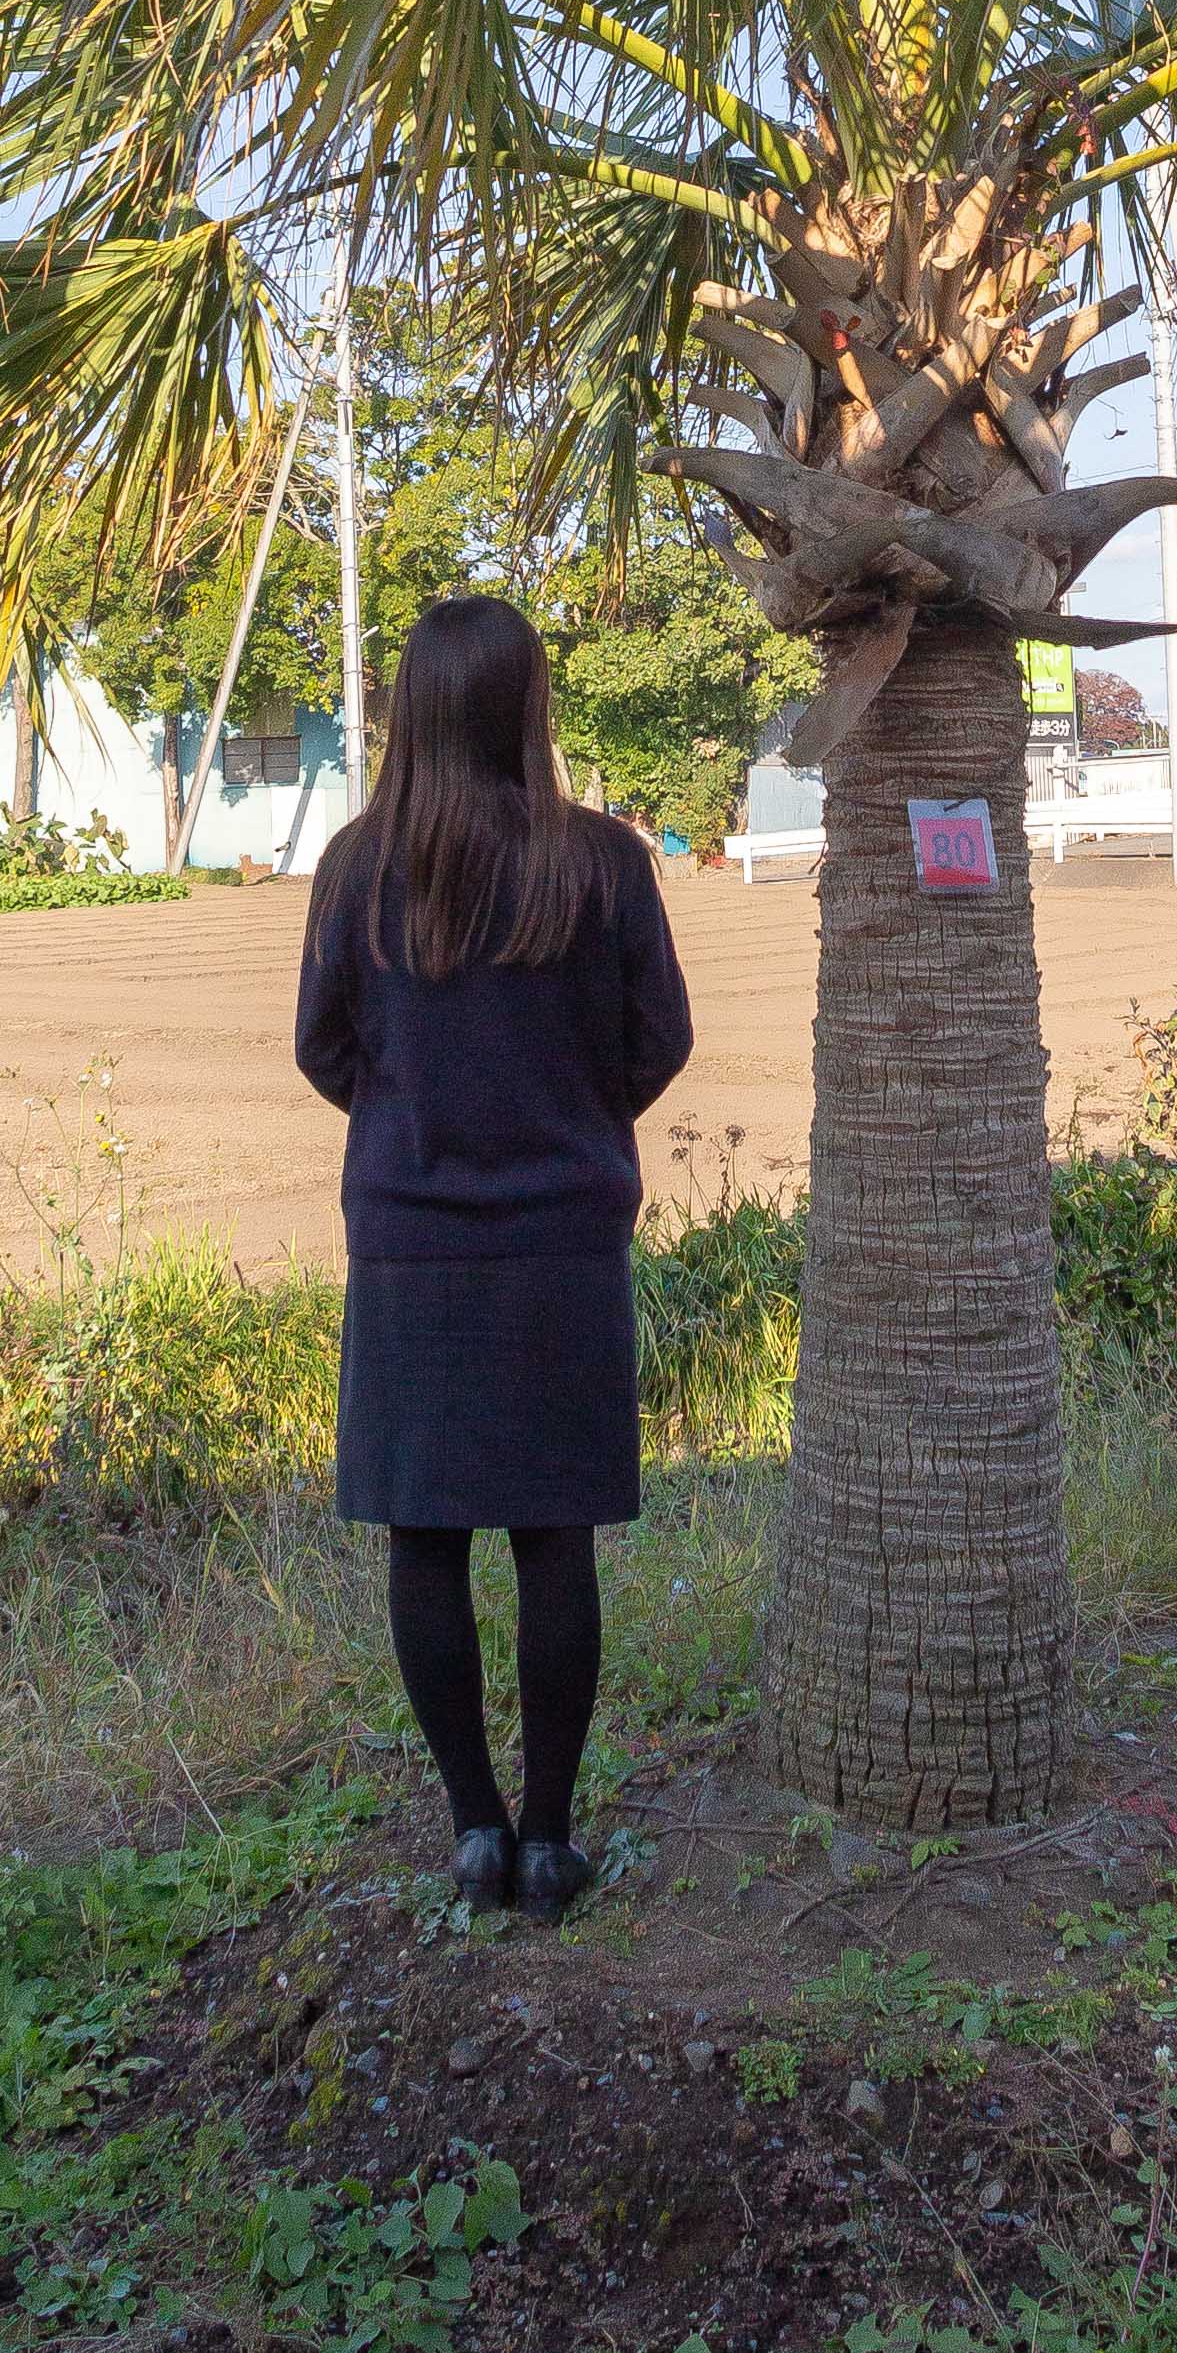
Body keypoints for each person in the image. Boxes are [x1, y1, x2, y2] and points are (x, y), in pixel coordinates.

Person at [294, 594, 693, 1919]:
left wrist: (422, 1119)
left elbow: (323, 1047)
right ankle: (551, 1834)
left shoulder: (358, 865)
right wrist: (570, 1116)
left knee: (423, 1533)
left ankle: (470, 1824)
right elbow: (659, 1040)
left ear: (408, 709)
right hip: (563, 1240)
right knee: (551, 1532)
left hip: (410, 1242)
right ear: (531, 703)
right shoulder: (603, 862)